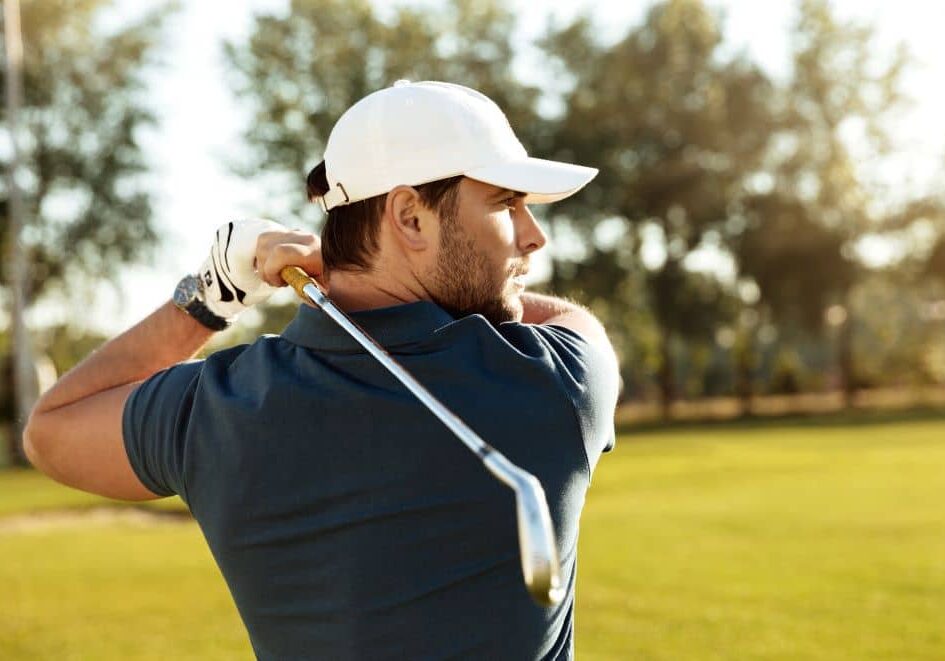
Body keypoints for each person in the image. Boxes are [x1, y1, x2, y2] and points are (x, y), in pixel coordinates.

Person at [24, 81, 620, 660]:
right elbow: (576, 323)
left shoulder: (224, 405)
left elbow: (51, 430)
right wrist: (341, 278)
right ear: (410, 217)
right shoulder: (555, 383)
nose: (534, 236)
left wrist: (215, 293)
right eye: (507, 204)